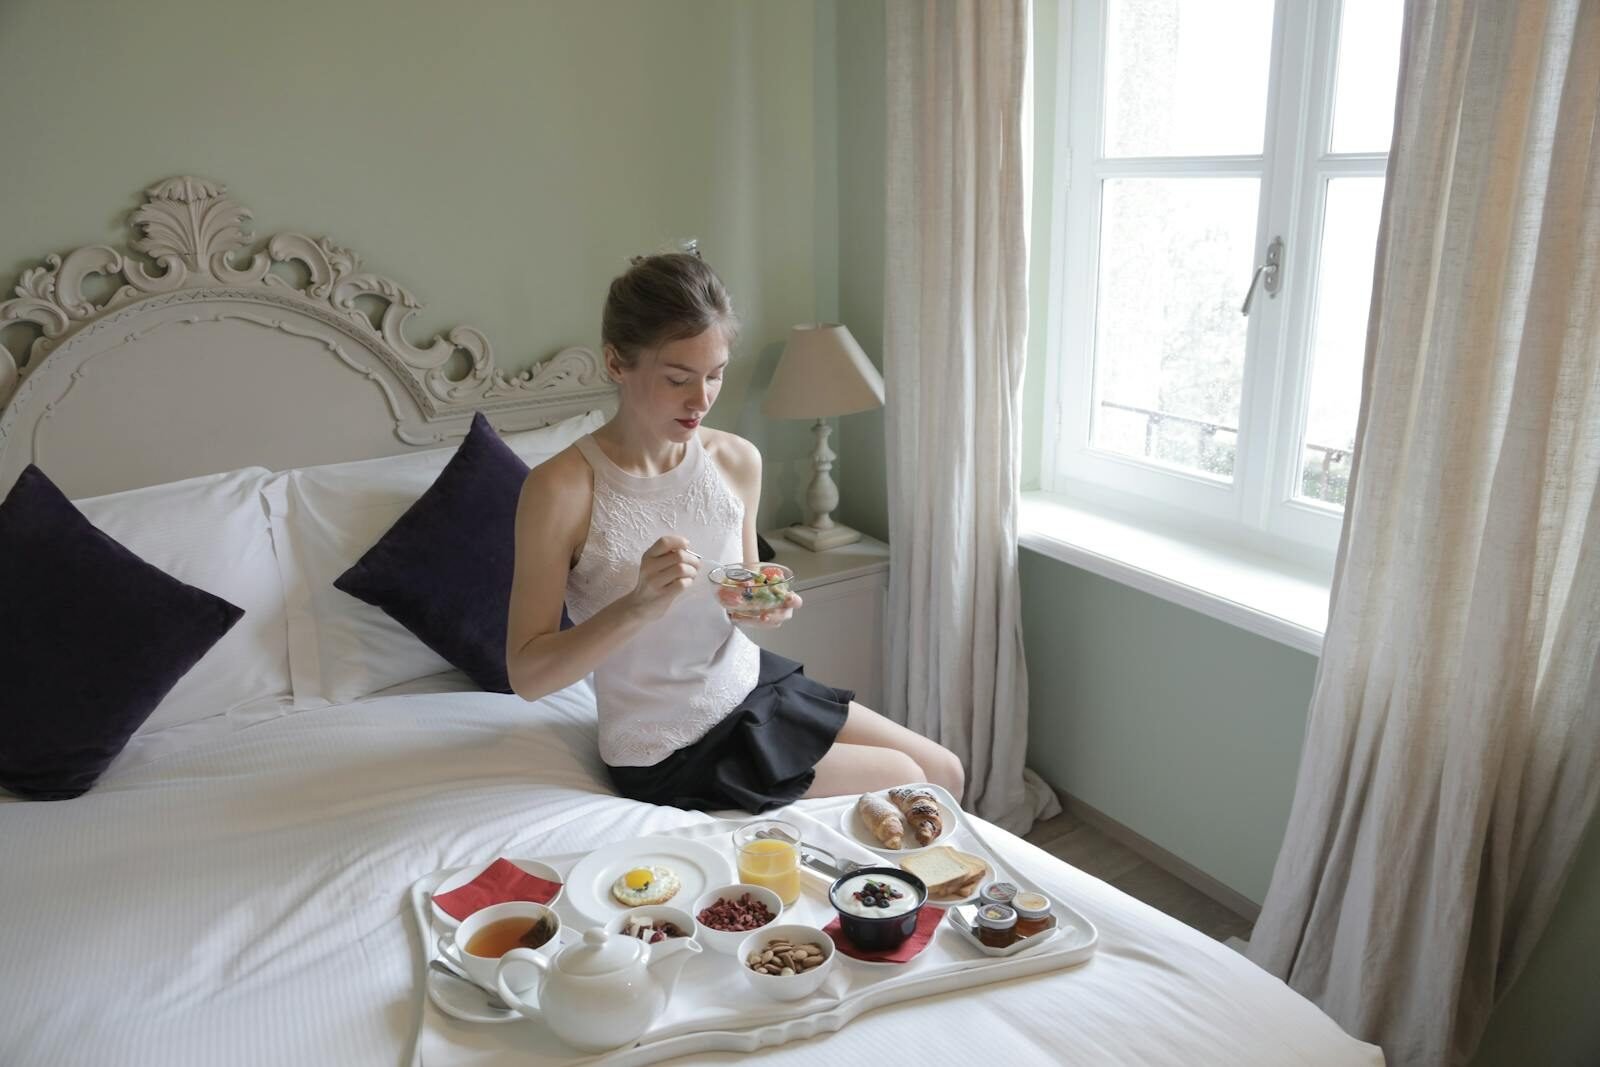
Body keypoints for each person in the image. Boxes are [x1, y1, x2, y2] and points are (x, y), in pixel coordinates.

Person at [505, 250, 963, 812]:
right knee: (909, 780)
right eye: (678, 379)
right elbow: (527, 675)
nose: (701, 400)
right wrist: (638, 605)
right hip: (667, 744)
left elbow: (741, 595)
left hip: (750, 685)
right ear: (617, 363)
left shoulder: (737, 461)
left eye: (716, 376)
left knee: (945, 770)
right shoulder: (560, 490)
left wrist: (758, 606)